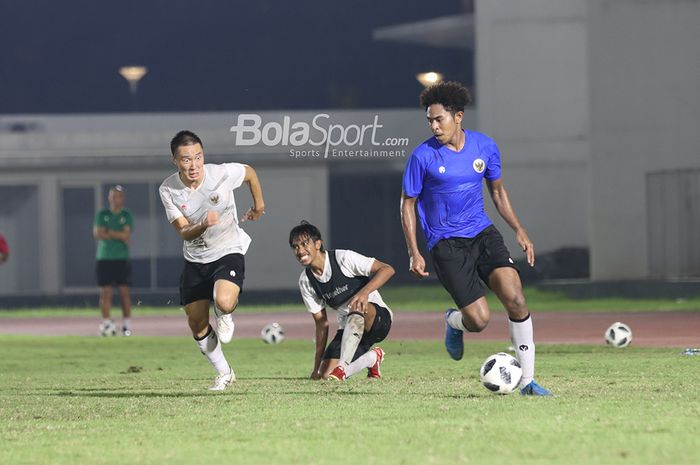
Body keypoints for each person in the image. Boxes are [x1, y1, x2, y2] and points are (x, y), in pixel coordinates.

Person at [400, 81, 552, 396]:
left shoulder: (484, 147)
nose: (433, 126)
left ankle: (527, 382)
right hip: (446, 244)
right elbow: (407, 204)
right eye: (429, 120)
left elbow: (497, 190)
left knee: (516, 299)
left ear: (458, 116)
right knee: (479, 320)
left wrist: (518, 229)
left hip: (482, 233)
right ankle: (455, 322)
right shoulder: (422, 157)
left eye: (438, 119)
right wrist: (414, 251)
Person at [159, 130, 265, 391]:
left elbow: (249, 172)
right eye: (186, 159)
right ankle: (225, 372)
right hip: (195, 259)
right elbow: (183, 231)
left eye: (198, 157)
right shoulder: (168, 189)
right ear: (175, 161)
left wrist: (259, 206)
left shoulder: (220, 174)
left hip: (228, 249)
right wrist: (204, 224)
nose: (193, 165)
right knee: (196, 323)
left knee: (224, 301)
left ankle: (225, 313)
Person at [289, 221, 394, 381]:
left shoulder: (343, 258)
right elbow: (321, 324)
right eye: (295, 247)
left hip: (377, 321)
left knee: (356, 306)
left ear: (318, 244)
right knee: (325, 376)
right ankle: (372, 358)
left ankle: (342, 368)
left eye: (304, 244)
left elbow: (387, 269)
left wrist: (364, 293)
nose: (300, 250)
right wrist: (316, 367)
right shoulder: (306, 281)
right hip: (349, 330)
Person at [93, 185, 133, 337]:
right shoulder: (102, 214)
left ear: (123, 198)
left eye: (119, 196)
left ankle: (127, 325)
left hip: (122, 258)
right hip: (104, 258)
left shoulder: (126, 215)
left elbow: (126, 235)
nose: (116, 199)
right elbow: (97, 233)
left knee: (124, 293)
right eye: (113, 196)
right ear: (109, 198)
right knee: (105, 293)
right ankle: (106, 323)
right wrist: (119, 234)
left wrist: (108, 232)